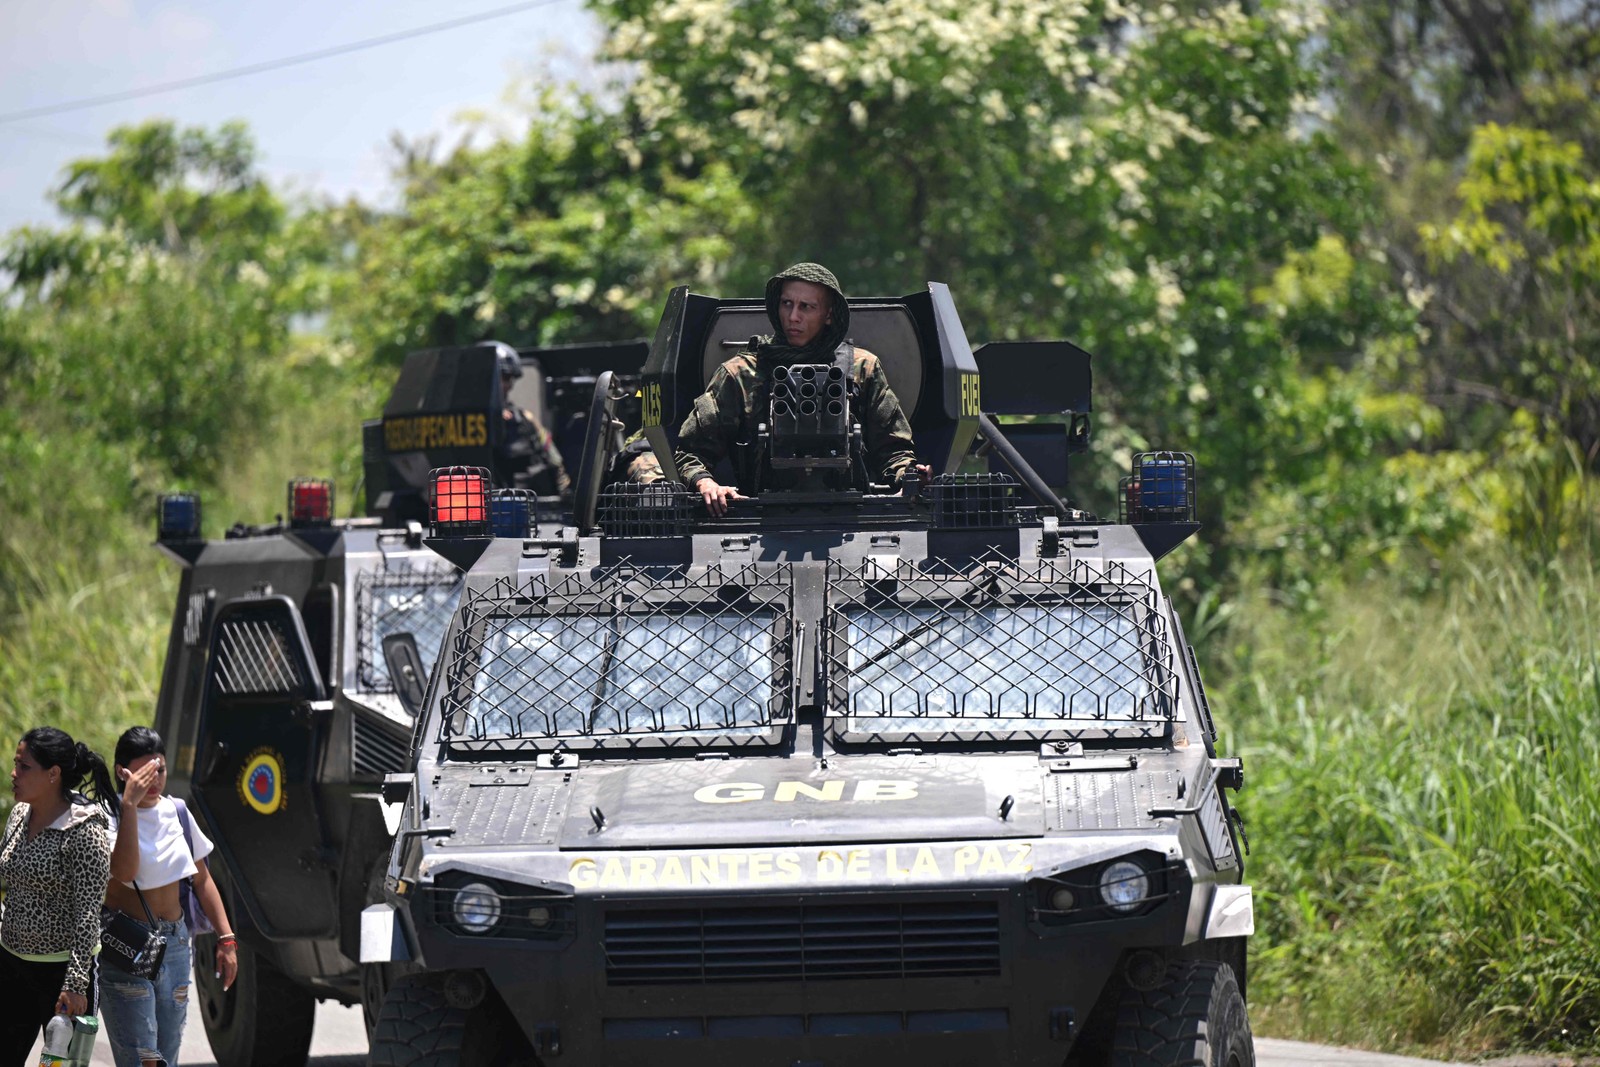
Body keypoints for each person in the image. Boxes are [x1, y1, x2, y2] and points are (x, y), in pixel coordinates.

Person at [675, 262, 929, 515]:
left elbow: (893, 450)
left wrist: (909, 476)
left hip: (851, 518)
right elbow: (689, 453)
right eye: (787, 304)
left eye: (806, 307)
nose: (793, 316)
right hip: (757, 519)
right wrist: (705, 483)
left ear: (829, 314)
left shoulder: (862, 369)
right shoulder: (740, 373)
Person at [99, 727, 237, 1067]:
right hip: (127, 945)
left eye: (159, 769)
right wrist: (129, 805)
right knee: (143, 1060)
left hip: (174, 946)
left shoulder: (177, 811)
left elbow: (202, 879)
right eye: (145, 771)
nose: (155, 779)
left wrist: (227, 939)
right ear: (122, 772)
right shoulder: (107, 815)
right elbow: (125, 873)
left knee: (166, 1057)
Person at [1, 726, 115, 1065]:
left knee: (59, 1064)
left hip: (62, 974)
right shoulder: (20, 814)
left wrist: (76, 984)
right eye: (15, 763)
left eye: (24, 767)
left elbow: (88, 915)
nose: (14, 773)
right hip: (10, 963)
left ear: (53, 774)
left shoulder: (85, 831)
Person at [487, 341, 572, 497]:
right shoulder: (462, 423)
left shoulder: (525, 419)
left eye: (509, 378)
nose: (508, 385)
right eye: (503, 377)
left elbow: (553, 459)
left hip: (524, 501)